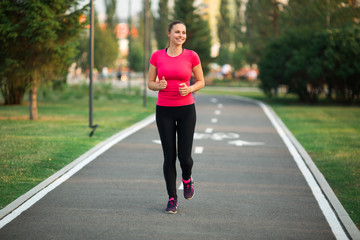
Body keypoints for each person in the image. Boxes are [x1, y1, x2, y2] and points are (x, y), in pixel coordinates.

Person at [148, 20, 205, 214]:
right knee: (169, 157)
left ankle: (187, 179)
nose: (181, 35)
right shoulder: (157, 56)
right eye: (177, 32)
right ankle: (172, 198)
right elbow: (149, 83)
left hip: (186, 110)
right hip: (164, 110)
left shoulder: (192, 56)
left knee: (185, 158)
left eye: (184, 32)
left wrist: (189, 88)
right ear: (169, 33)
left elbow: (201, 81)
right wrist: (158, 86)